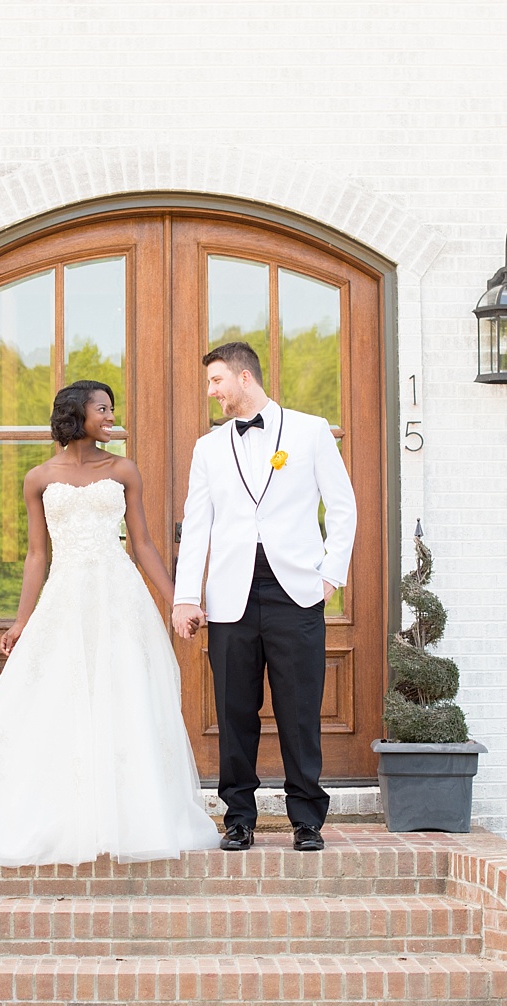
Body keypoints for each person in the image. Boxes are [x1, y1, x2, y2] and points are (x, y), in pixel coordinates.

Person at [0, 380, 219, 866]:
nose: (111, 416)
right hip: (66, 598)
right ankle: (63, 812)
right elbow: (36, 554)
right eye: (102, 409)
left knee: (124, 696)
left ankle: (132, 815)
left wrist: (178, 602)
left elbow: (144, 544)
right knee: (58, 698)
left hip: (119, 598)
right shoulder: (38, 478)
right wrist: (22, 620)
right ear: (74, 415)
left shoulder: (124, 469)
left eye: (112, 408)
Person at [172, 342, 357, 853]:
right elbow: (198, 524)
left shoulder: (309, 430)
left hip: (295, 590)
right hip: (230, 595)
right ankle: (239, 817)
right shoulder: (208, 447)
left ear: (244, 377)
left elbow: (343, 507)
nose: (211, 391)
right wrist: (186, 596)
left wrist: (330, 574)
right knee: (234, 709)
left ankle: (306, 819)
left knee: (300, 707)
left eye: (216, 381)